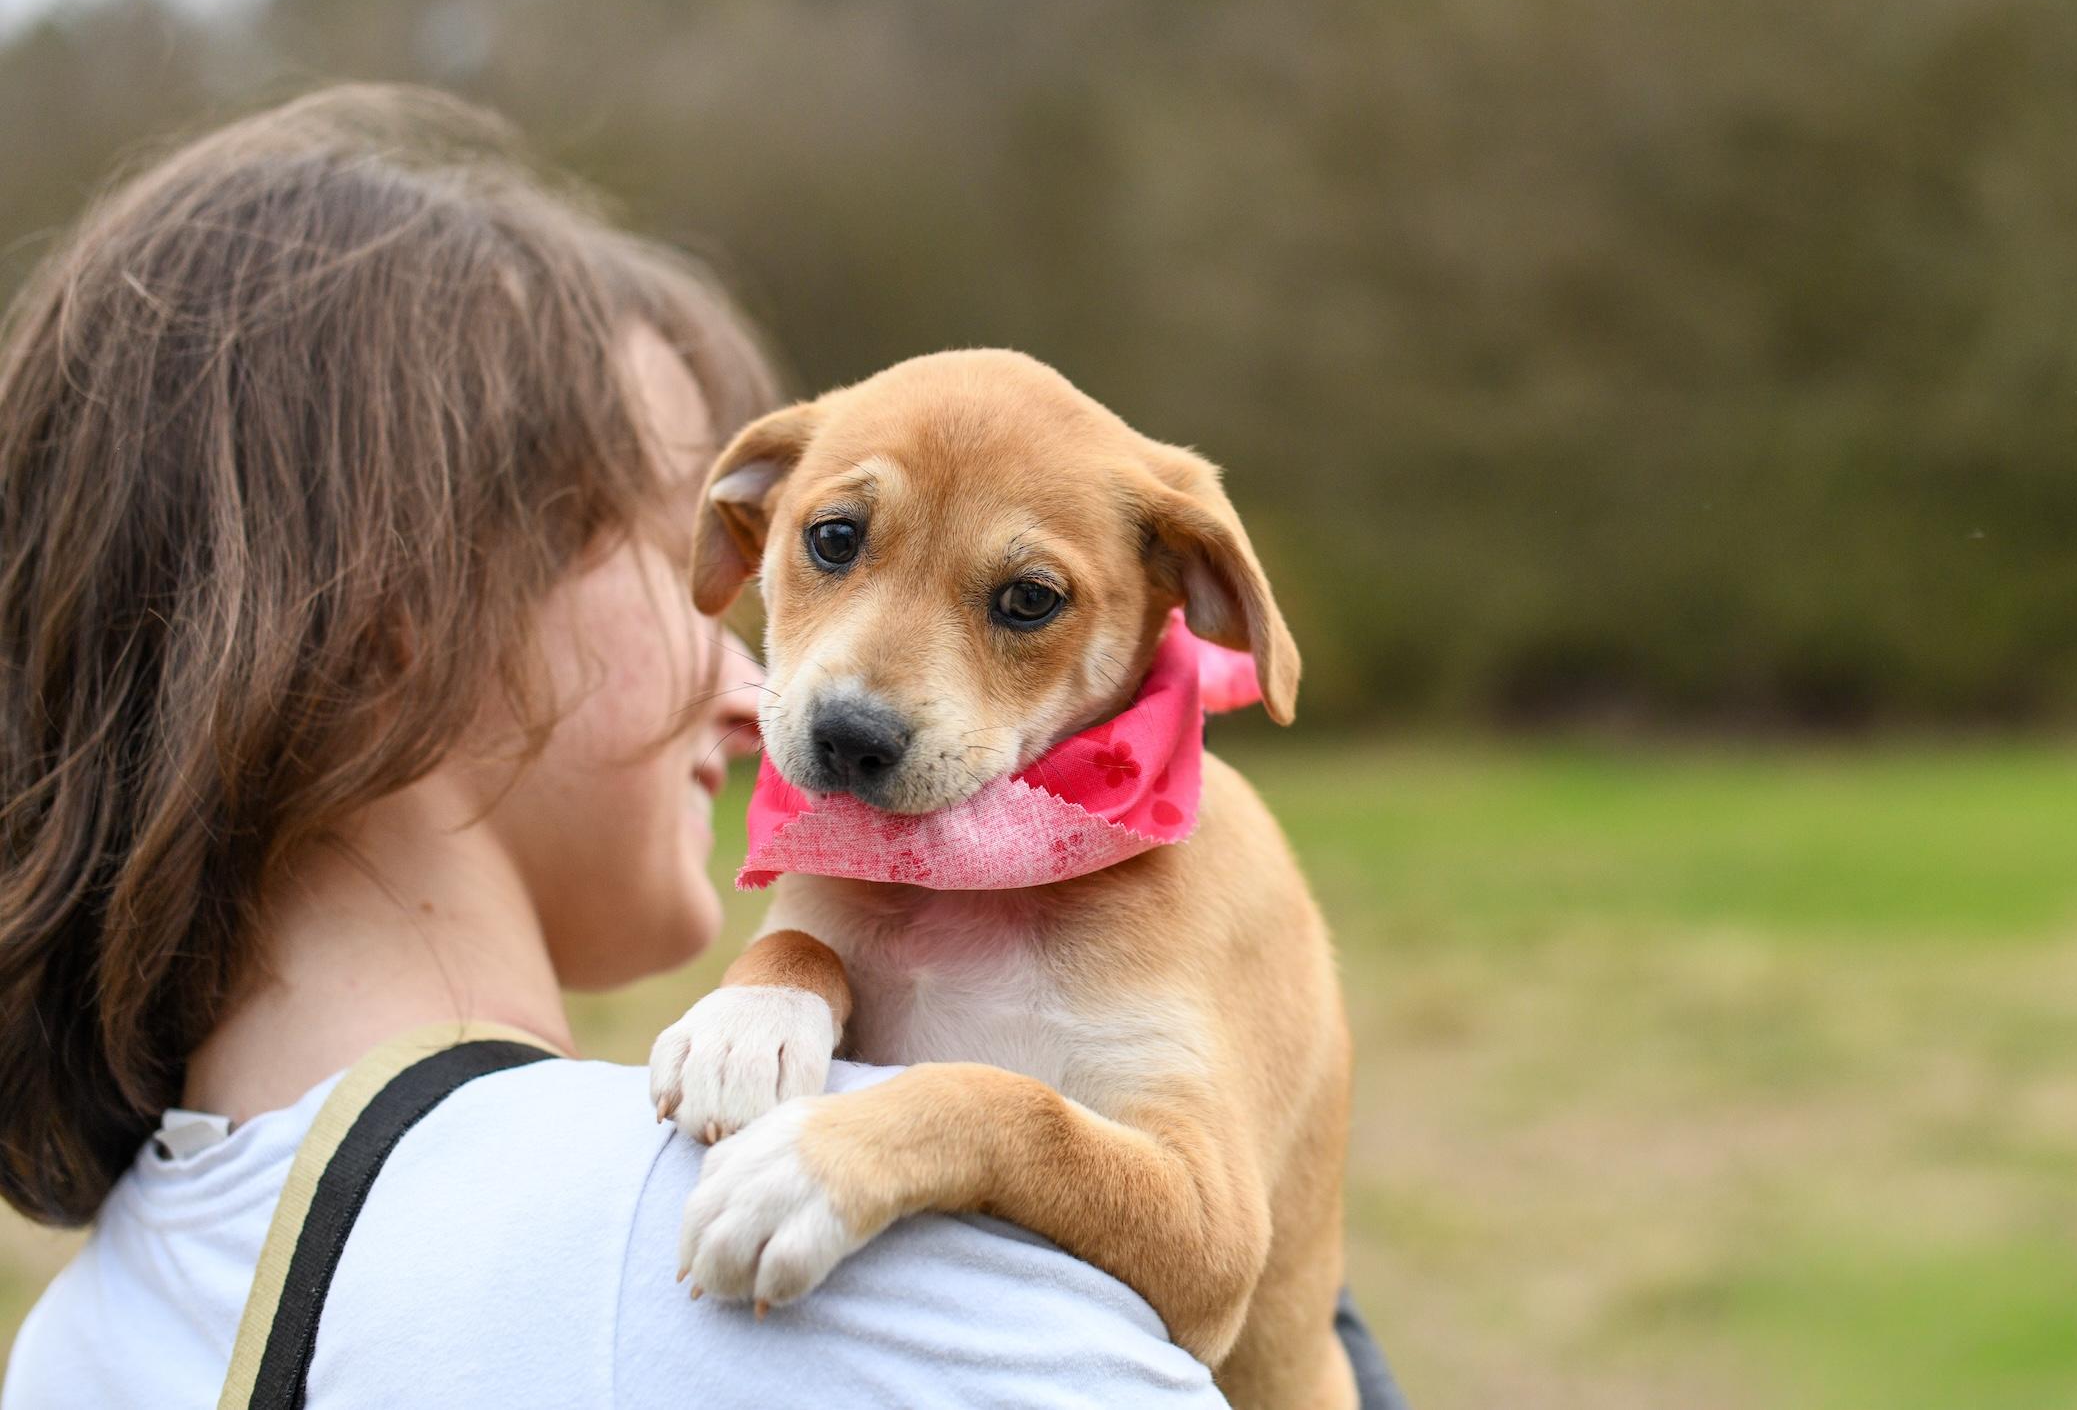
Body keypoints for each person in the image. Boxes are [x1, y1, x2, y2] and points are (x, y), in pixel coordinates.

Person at [0, 86, 1404, 1409]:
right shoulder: (870, 1298)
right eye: (823, 547)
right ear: (395, 614)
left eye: (1021, 602)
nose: (760, 685)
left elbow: (1216, 1266)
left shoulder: (71, 1343)